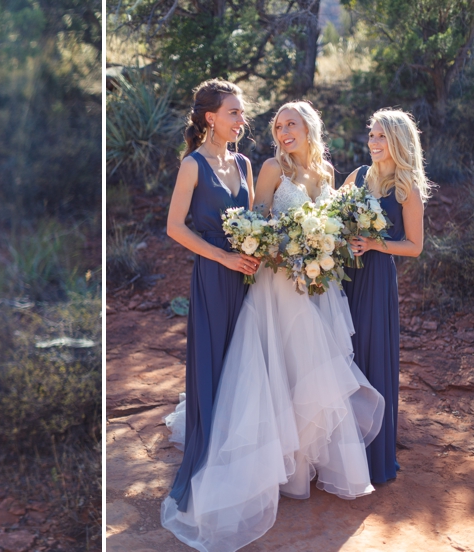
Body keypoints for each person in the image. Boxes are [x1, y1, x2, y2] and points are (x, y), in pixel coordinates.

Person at [162, 101, 385, 552]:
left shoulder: (325, 172)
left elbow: (337, 227)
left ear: (309, 128)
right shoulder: (267, 168)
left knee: (310, 372)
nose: (283, 132)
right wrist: (286, 247)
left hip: (317, 287)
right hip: (277, 284)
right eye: (278, 125)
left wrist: (328, 245)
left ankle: (303, 463)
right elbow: (256, 223)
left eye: (291, 125)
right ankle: (271, 464)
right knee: (275, 367)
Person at [163, 79, 258, 515]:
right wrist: (222, 256)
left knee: (247, 362)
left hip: (249, 277)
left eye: (241, 113)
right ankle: (208, 454)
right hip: (214, 275)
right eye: (234, 113)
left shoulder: (244, 163)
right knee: (214, 360)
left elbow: (256, 220)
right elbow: (175, 227)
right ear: (211, 118)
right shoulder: (193, 166)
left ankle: (242, 452)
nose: (242, 120)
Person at [342, 109, 430, 486]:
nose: (374, 143)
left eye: (381, 137)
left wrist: (377, 244)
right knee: (343, 355)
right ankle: (338, 454)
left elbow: (415, 246)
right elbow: (332, 213)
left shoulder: (405, 187)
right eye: (372, 135)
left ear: (397, 142)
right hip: (344, 278)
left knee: (372, 357)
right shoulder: (358, 176)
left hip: (376, 280)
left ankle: (372, 458)